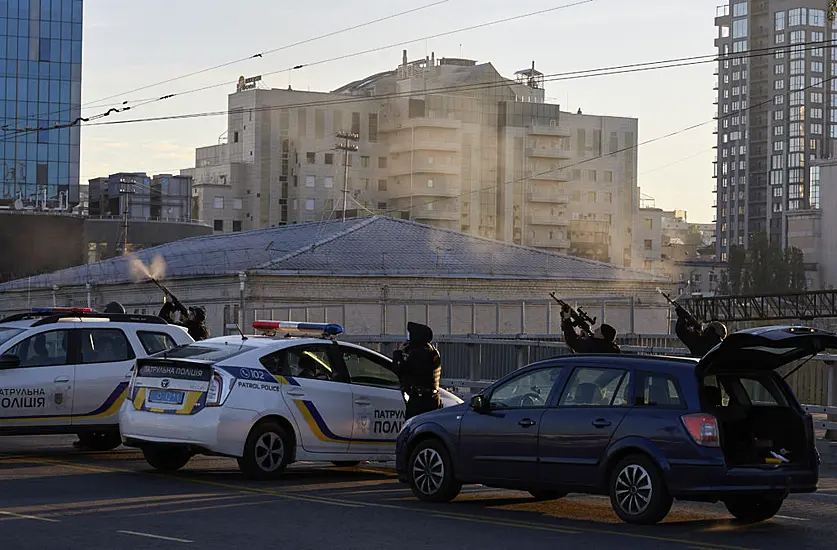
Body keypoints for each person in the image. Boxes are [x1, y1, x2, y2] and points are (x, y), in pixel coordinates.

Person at [392, 322, 442, 420]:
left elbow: (400, 370)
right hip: (433, 398)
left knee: (412, 429)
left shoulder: (418, 355)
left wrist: (397, 355)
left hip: (420, 401)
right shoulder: (432, 351)